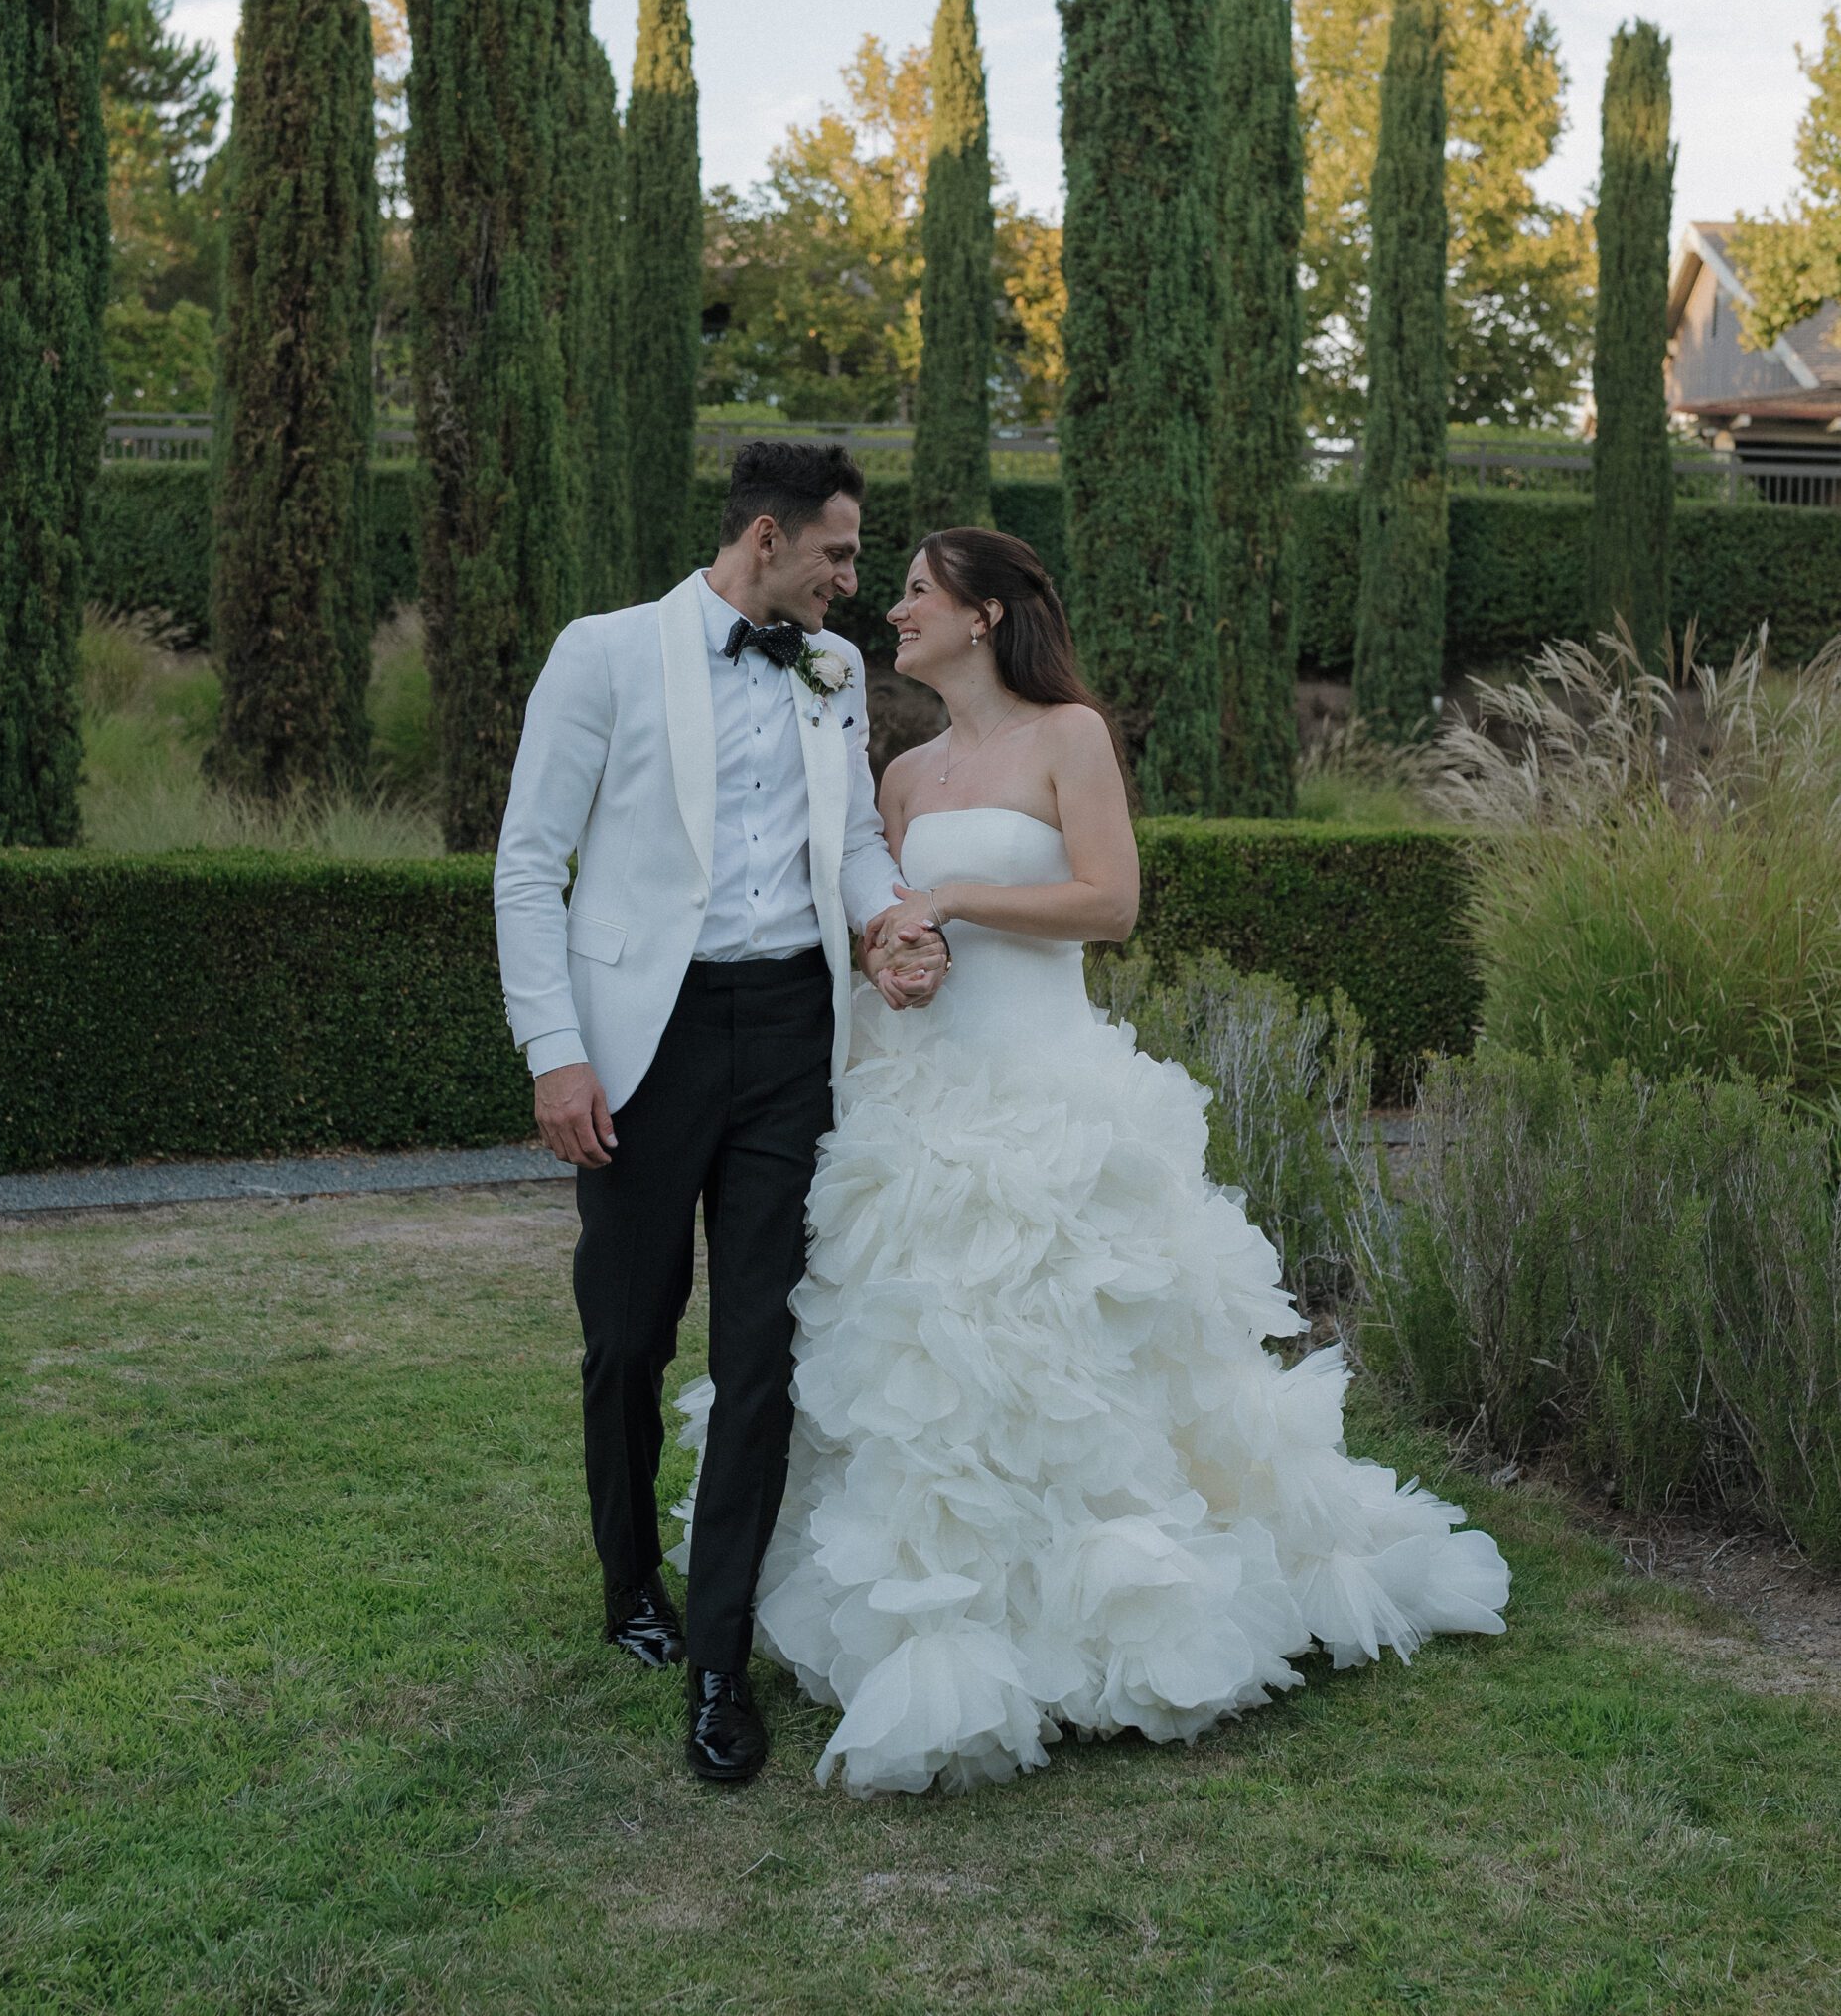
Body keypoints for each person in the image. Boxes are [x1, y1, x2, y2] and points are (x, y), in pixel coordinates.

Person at [672, 526, 1510, 1796]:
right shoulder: (898, 773)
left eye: (914, 593)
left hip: (1050, 1090)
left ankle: (1112, 1608)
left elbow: (1110, 902)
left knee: (1074, 1355)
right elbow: (879, 919)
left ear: (987, 615)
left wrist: (952, 904)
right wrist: (897, 955)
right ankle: (937, 1609)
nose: (889, 609)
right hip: (918, 1099)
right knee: (920, 1371)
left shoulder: (1070, 737)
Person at [493, 442, 947, 1786]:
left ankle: (717, 1661)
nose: (854, 585)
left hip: (788, 1043)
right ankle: (629, 1581)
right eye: (841, 555)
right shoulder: (605, 652)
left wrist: (889, 921)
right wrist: (555, 1052)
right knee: (627, 1340)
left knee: (763, 1354)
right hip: (643, 1043)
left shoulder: (831, 671)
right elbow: (528, 862)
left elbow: (854, 840)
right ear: (768, 537)